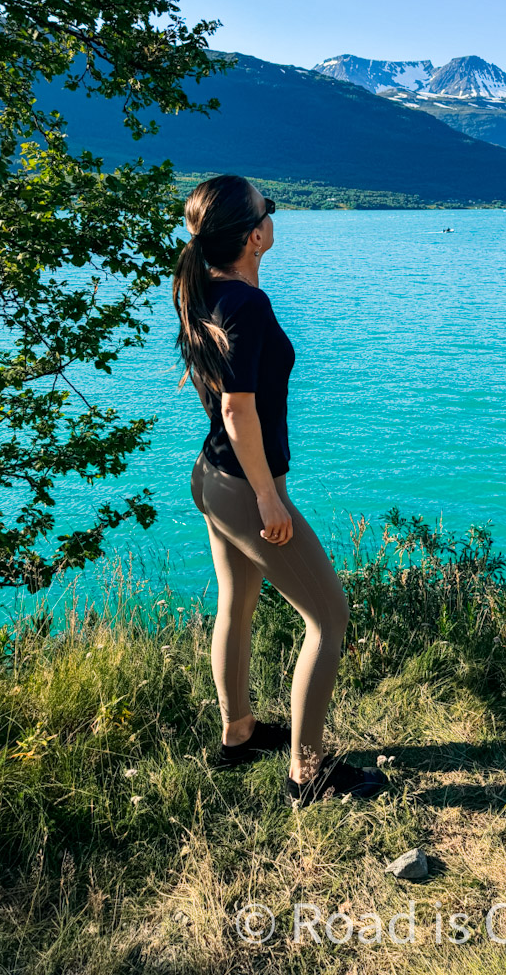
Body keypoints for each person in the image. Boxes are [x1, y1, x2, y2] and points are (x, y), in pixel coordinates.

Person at [171, 174, 387, 806]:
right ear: (253, 237)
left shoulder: (208, 291)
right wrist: (269, 497)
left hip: (212, 475)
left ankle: (239, 734)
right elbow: (238, 410)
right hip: (244, 487)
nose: (272, 215)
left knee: (237, 602)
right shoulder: (245, 304)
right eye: (267, 208)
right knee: (329, 616)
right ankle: (307, 772)